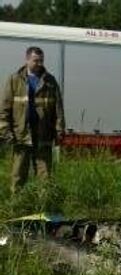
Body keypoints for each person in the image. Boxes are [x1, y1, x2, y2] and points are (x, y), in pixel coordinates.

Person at [0, 46, 65, 193]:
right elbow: (4, 110)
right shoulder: (14, 80)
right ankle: (16, 206)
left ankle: (44, 207)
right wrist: (6, 132)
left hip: (43, 135)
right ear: (27, 60)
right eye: (36, 60)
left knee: (45, 177)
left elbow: (58, 109)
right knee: (18, 176)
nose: (39, 63)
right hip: (21, 136)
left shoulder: (50, 81)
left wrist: (59, 131)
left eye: (41, 60)